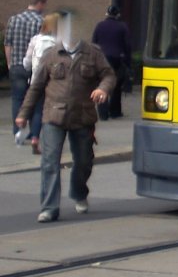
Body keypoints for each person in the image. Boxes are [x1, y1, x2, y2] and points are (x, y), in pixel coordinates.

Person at [16, 39, 115, 223]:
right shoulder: (51, 54)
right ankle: (49, 208)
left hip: (82, 116)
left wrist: (103, 89)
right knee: (50, 162)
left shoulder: (93, 52)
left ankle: (78, 192)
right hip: (54, 116)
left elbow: (108, 75)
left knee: (84, 160)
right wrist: (23, 114)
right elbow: (36, 87)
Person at [5, 0, 47, 142]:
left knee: (17, 99)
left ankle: (18, 131)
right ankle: (34, 134)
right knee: (36, 101)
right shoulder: (41, 21)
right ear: (40, 4)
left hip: (16, 65)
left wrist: (10, 63)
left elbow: (8, 44)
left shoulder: (14, 20)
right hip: (34, 67)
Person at [21, 13, 61, 155]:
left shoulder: (35, 40)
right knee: (49, 110)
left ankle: (34, 137)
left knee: (36, 109)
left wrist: (29, 68)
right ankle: (48, 139)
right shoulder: (58, 42)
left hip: (35, 79)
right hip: (51, 81)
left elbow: (26, 61)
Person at [91, 5, 132, 119]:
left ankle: (103, 113)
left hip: (102, 58)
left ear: (107, 14)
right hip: (117, 59)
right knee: (116, 85)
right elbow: (127, 45)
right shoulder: (122, 27)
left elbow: (94, 42)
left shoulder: (100, 26)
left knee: (102, 83)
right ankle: (115, 111)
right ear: (118, 15)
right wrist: (128, 62)